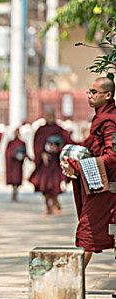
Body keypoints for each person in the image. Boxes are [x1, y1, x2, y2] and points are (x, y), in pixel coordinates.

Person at [61, 77, 116, 270]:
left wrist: (77, 167)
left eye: (94, 92)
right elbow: (92, 146)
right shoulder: (101, 118)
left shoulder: (110, 122)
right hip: (102, 186)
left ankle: (70, 283)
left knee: (87, 233)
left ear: (108, 95)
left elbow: (112, 157)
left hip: (108, 189)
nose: (89, 96)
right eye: (89, 92)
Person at [29, 107, 72, 215]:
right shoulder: (41, 130)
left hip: (56, 162)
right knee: (44, 186)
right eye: (48, 115)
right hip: (44, 163)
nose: (50, 118)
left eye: (52, 115)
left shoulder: (59, 129)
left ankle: (54, 205)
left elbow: (67, 143)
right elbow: (36, 145)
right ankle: (48, 206)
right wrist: (41, 153)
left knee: (54, 186)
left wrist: (58, 150)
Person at [5, 128, 27, 201]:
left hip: (18, 163)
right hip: (12, 163)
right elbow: (7, 152)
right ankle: (13, 190)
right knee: (12, 178)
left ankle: (16, 190)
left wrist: (23, 156)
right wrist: (12, 154)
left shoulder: (22, 142)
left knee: (17, 177)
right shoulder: (11, 142)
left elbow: (25, 152)